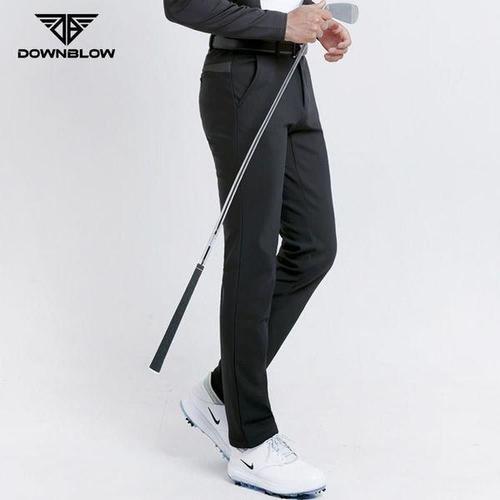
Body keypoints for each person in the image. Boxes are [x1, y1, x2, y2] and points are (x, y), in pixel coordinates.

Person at [164, 0, 352, 496]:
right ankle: (249, 441)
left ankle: (219, 392)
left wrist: (314, 21)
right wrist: (282, 24)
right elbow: (182, 4)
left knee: (314, 246)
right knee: (253, 255)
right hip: (241, 79)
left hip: (293, 76)